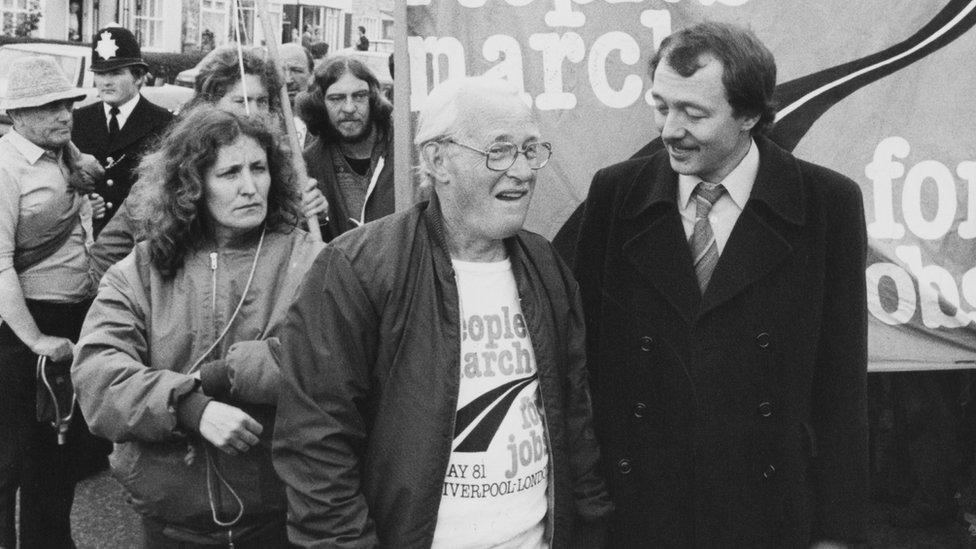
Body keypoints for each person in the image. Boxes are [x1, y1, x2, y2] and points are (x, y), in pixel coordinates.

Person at [273, 76, 612, 547]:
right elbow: (316, 446)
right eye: (500, 150)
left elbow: (574, 420)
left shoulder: (546, 266)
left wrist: (592, 530)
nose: (523, 170)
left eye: (531, 150)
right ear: (437, 160)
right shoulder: (358, 268)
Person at [574, 22, 868, 547]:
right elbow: (589, 366)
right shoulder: (615, 194)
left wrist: (837, 532)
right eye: (662, 106)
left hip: (767, 510)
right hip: (641, 508)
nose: (668, 130)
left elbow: (841, 382)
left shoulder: (828, 204)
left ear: (749, 115)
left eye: (694, 113)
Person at [72, 107, 324, 548]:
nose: (250, 187)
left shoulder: (309, 261)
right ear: (191, 184)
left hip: (281, 519)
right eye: (229, 173)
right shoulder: (140, 271)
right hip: (170, 523)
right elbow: (97, 375)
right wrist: (191, 407)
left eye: (259, 168)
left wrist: (226, 375)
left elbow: (326, 360)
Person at [92, 45, 326, 281]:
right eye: (241, 100)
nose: (253, 113)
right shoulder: (168, 174)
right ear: (210, 104)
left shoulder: (283, 172)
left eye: (262, 101)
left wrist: (311, 215)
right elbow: (107, 256)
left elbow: (297, 258)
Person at [0, 55, 96, 549]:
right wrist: (35, 339)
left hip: (72, 317)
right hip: (21, 326)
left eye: (67, 104)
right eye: (48, 106)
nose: (64, 114)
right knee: (10, 458)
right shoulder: (5, 167)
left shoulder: (68, 158)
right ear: (16, 114)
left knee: (59, 454)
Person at [73, 25, 174, 236]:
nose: (106, 82)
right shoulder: (78, 121)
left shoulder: (165, 124)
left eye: (115, 73)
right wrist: (82, 204)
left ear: (138, 77)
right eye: (100, 73)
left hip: (141, 237)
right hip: (89, 238)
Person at [296, 55, 393, 240]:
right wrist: (320, 219)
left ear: (372, 99)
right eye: (336, 98)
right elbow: (319, 244)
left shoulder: (402, 150)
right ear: (320, 104)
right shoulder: (310, 165)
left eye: (359, 96)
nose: (349, 108)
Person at [278, 42, 314, 145]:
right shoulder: (263, 123)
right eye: (281, 71)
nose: (288, 80)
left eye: (297, 70)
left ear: (311, 75)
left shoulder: (325, 120)